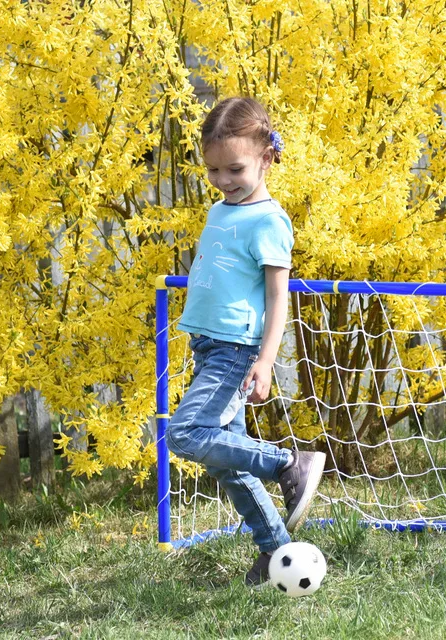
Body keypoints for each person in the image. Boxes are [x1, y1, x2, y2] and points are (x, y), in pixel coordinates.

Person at [165, 97, 326, 588]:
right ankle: (277, 552)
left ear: (266, 157)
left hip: (236, 350)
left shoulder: (269, 221)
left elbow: (279, 299)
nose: (223, 179)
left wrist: (265, 360)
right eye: (212, 169)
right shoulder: (221, 208)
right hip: (209, 347)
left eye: (234, 168)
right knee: (225, 460)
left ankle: (286, 462)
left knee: (185, 434)